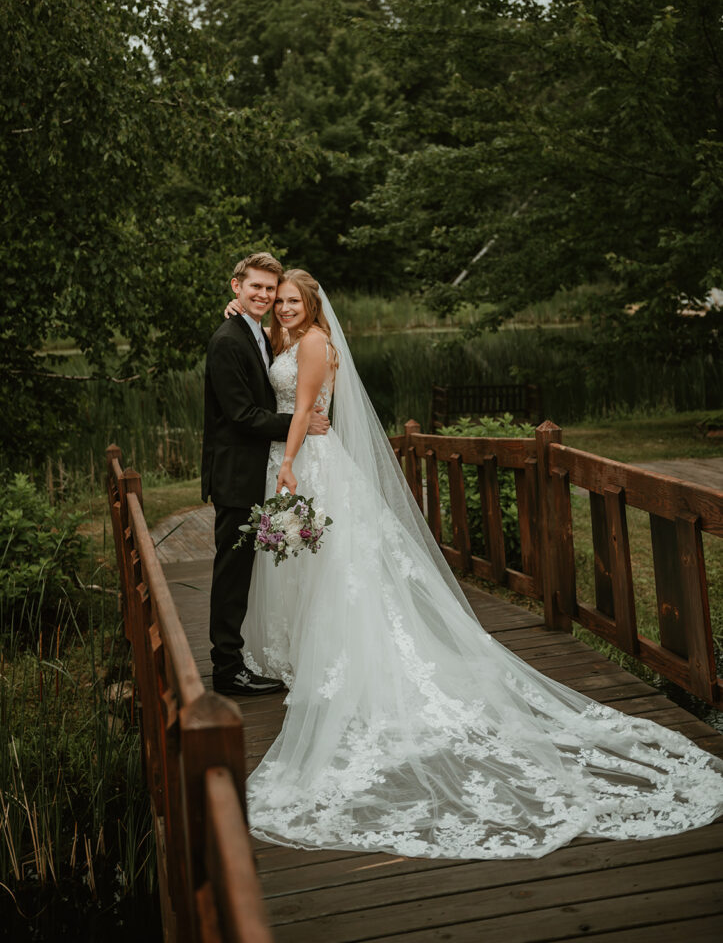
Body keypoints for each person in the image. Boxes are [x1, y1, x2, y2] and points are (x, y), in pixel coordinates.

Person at [224, 269, 723, 859]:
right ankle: (312, 657)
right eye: (275, 300)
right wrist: (241, 316)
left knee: (340, 575)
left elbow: (306, 409)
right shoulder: (279, 336)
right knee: (324, 570)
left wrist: (287, 469)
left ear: (310, 305)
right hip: (303, 459)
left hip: (307, 462)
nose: (281, 308)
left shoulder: (309, 342)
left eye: (290, 300)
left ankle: (339, 662)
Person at [201, 253, 329, 697]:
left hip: (269, 465)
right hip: (237, 472)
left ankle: (274, 652)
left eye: (270, 290)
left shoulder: (260, 331)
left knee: (277, 566)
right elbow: (239, 415)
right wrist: (300, 422)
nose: (265, 296)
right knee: (232, 572)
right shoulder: (228, 340)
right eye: (255, 287)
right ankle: (227, 669)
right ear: (236, 285)